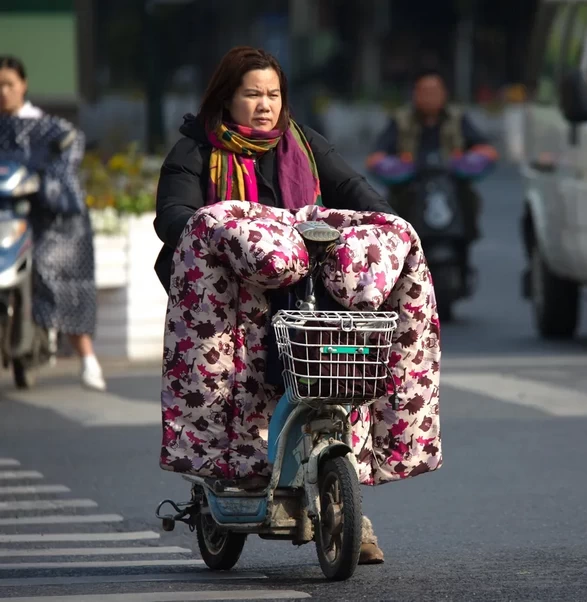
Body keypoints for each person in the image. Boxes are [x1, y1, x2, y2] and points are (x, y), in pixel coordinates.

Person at [153, 45, 396, 565]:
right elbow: (174, 215)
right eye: (252, 94)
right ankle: (234, 472)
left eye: (273, 94)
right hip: (231, 298)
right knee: (236, 386)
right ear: (227, 97)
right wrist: (222, 234)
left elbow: (354, 188)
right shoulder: (195, 150)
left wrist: (386, 224)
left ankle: (347, 501)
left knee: (337, 373)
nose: (265, 105)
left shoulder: (303, 144)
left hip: (305, 291)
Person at [0, 55, 106, 391]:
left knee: (63, 274)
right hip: (8, 216)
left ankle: (87, 359)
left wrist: (48, 181)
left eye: (8, 84)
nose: (3, 92)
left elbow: (70, 150)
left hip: (51, 217)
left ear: (23, 86)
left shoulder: (48, 127)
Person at [365, 68, 498, 244]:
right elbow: (376, 156)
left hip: (450, 181)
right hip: (411, 184)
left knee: (469, 198)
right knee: (391, 207)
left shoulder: (457, 118)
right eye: (424, 92)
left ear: (444, 94)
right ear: (415, 94)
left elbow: (487, 149)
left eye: (434, 92)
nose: (430, 97)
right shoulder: (401, 119)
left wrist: (468, 160)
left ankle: (466, 242)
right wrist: (394, 165)